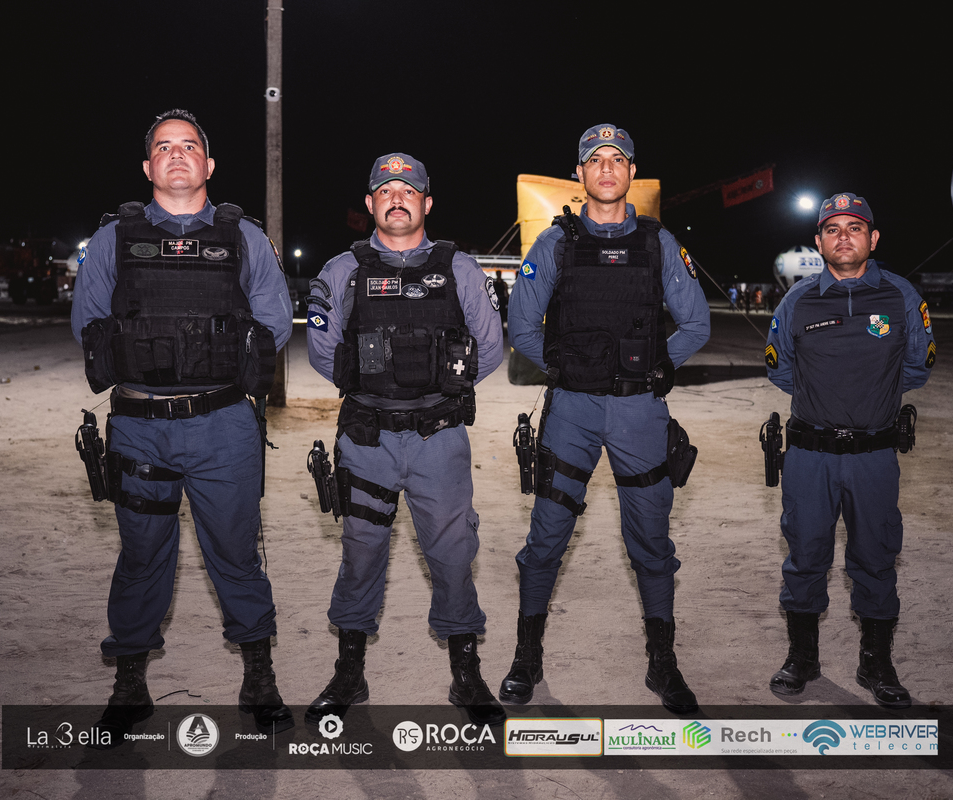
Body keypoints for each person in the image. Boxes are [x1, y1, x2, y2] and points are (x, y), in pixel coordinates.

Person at [70, 109, 294, 741]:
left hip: (223, 424)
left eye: (189, 145)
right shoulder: (113, 239)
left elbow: (275, 323)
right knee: (142, 555)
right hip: (140, 425)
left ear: (208, 164)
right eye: (163, 147)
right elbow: (88, 323)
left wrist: (215, 354)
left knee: (236, 553)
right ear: (147, 166)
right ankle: (130, 684)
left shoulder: (244, 237)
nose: (176, 154)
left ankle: (258, 679)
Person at [501, 124, 711, 713]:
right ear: (580, 174)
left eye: (618, 159)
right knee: (546, 536)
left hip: (639, 412)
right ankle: (526, 656)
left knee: (651, 541)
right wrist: (568, 368)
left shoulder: (658, 243)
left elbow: (696, 324)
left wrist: (655, 367)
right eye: (596, 160)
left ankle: (662, 662)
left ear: (632, 173)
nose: (607, 168)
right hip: (572, 409)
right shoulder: (555, 243)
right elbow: (522, 328)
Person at [303, 153, 506, 726]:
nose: (397, 198)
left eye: (408, 190)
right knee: (361, 552)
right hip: (367, 439)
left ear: (426, 202)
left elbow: (490, 348)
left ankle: (466, 674)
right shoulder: (342, 270)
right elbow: (323, 352)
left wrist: (436, 389)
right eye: (386, 190)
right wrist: (379, 390)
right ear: (370, 203)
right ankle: (349, 672)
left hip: (439, 439)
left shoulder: (460, 269)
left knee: (453, 554)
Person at [764, 192, 935, 708]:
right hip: (809, 455)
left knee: (877, 556)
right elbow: (780, 368)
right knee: (805, 555)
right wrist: (827, 401)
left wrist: (869, 402)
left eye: (854, 228)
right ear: (818, 242)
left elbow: (917, 367)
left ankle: (875, 664)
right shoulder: (798, 300)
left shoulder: (901, 296)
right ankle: (803, 658)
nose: (844, 237)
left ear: (873, 238)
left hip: (874, 456)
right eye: (832, 229)